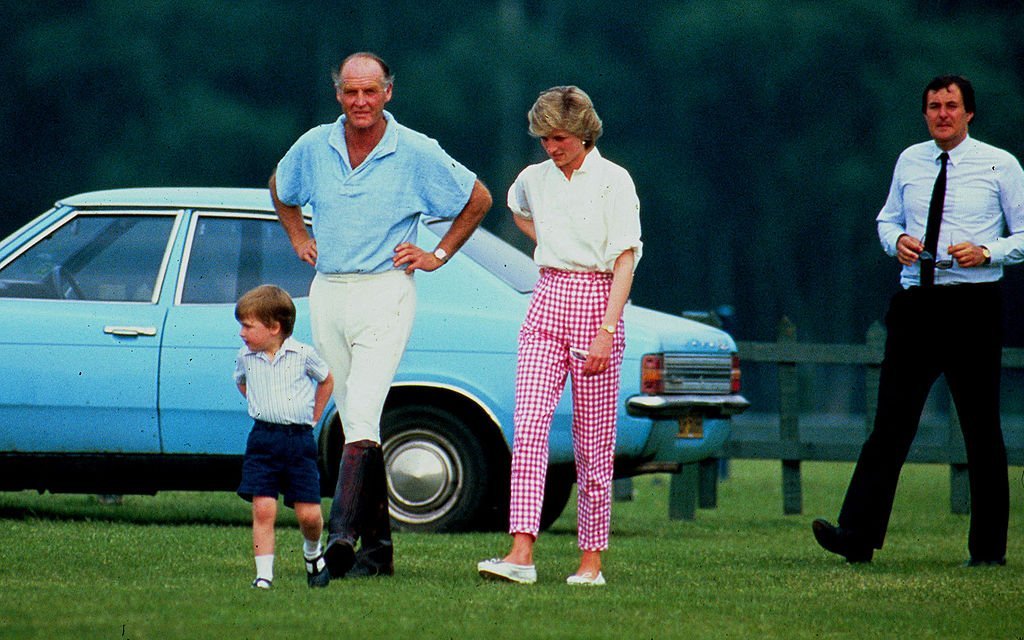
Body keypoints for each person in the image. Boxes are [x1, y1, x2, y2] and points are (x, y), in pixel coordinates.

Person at [270, 52, 491, 579]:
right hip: (329, 291)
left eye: (370, 91)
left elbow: (477, 198)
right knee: (353, 419)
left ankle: (341, 539)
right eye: (351, 92)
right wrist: (299, 235)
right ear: (338, 93)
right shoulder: (313, 144)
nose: (361, 102)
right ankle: (378, 553)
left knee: (364, 412)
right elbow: (281, 187)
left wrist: (436, 256)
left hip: (386, 291)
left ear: (388, 91)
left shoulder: (415, 150)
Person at [813, 75, 1024, 566]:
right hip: (916, 306)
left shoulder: (1000, 165)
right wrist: (897, 242)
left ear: (970, 113)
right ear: (925, 113)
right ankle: (856, 535)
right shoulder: (910, 160)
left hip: (972, 306)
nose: (942, 115)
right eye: (934, 107)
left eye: (952, 106)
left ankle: (988, 550)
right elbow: (887, 219)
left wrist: (987, 251)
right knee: (890, 424)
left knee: (980, 429)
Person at [477, 86, 642, 586]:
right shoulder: (534, 178)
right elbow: (517, 209)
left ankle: (590, 561)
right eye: (545, 138)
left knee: (593, 443)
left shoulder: (615, 181)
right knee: (528, 428)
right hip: (547, 297)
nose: (552, 147)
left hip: (598, 302)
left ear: (584, 133)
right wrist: (550, 242)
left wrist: (606, 331)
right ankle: (521, 553)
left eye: (561, 138)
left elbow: (625, 259)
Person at [234, 284, 335, 589]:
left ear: (274, 327)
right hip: (263, 439)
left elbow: (327, 380)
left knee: (309, 515)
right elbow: (241, 382)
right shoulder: (246, 357)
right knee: (264, 508)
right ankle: (264, 575)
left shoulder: (303, 355)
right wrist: (261, 404)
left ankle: (313, 553)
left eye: (248, 326)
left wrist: (314, 417)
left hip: (298, 442)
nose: (242, 333)